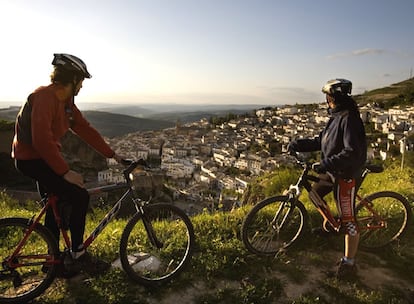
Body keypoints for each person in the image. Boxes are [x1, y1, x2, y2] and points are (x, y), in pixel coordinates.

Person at [12, 53, 125, 275]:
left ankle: (52, 263)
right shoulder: (44, 97)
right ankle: (79, 255)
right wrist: (65, 172)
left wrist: (113, 154)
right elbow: (41, 140)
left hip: (40, 158)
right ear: (71, 79)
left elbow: (85, 129)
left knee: (57, 205)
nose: (82, 86)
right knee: (79, 195)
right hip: (31, 160)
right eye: (81, 81)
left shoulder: (65, 104)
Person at [288, 78, 367, 279]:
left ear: (332, 97)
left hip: (345, 174)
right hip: (332, 170)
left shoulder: (350, 119)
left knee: (349, 219)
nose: (325, 100)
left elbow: (352, 152)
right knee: (315, 192)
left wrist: (325, 164)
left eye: (327, 96)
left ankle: (349, 264)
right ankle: (331, 226)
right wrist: (297, 144)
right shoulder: (336, 116)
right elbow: (321, 141)